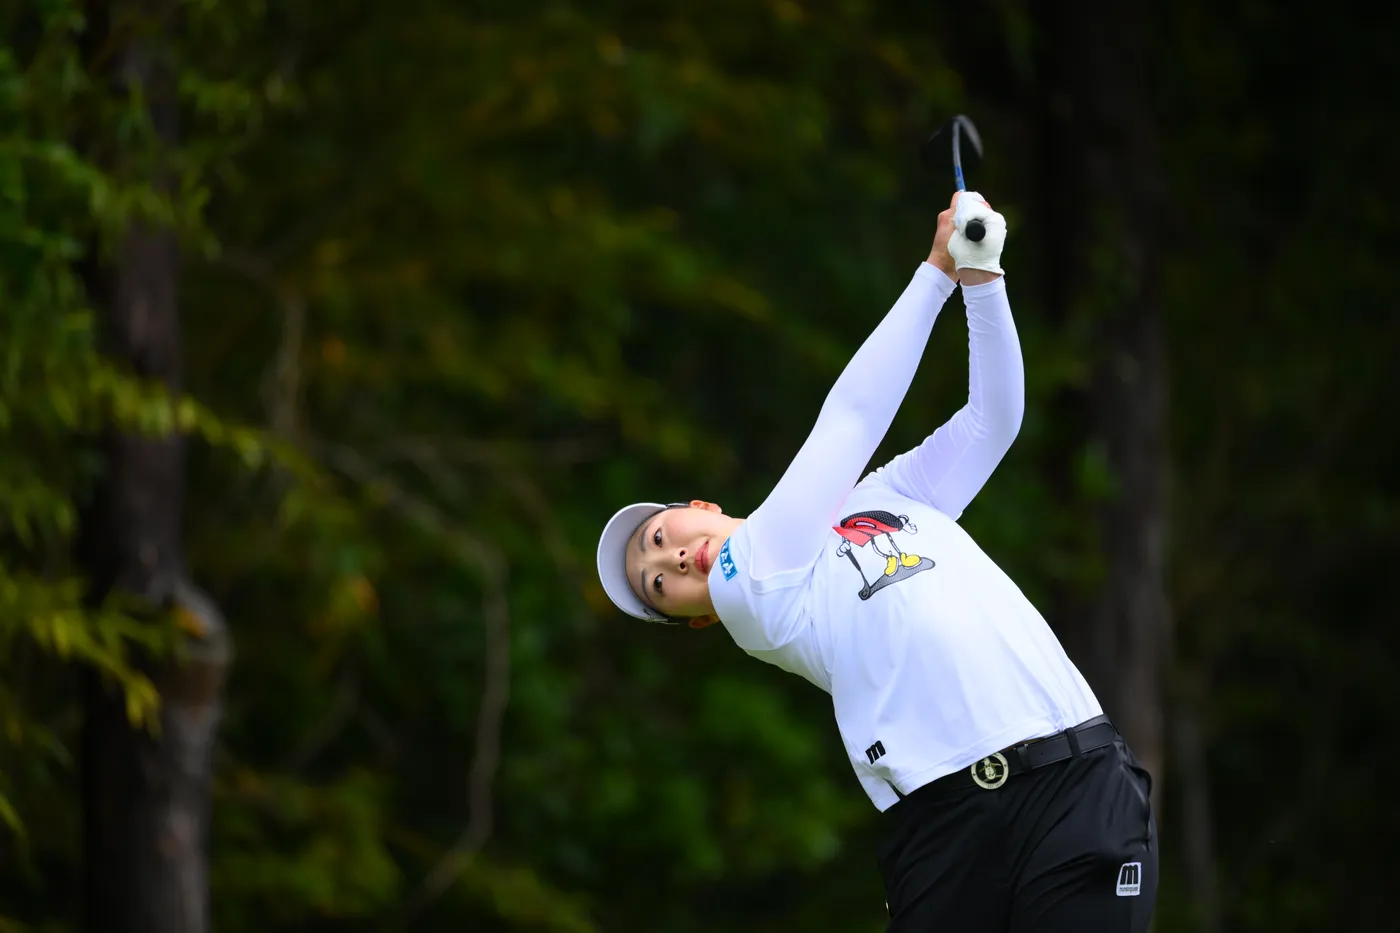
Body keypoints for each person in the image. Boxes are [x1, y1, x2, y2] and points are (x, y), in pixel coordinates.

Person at [594, 191, 1158, 931]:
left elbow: (992, 421)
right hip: (950, 824)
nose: (671, 559)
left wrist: (983, 279)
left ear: (699, 505)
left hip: (1076, 782)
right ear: (697, 618)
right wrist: (936, 273)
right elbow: (853, 419)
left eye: (659, 536)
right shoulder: (749, 590)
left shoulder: (884, 496)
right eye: (658, 586)